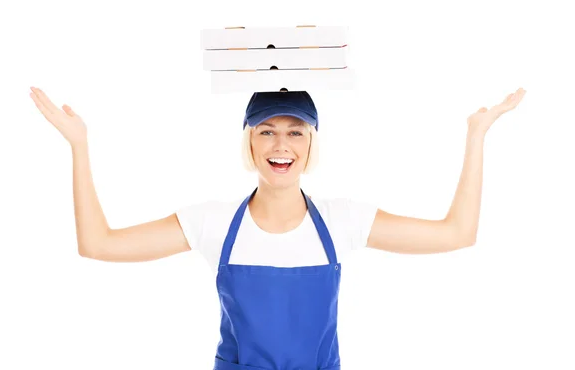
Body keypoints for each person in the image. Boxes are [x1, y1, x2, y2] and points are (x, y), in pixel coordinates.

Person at [30, 86, 526, 369]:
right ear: (249, 142)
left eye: (295, 132)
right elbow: (98, 245)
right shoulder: (213, 221)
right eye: (266, 130)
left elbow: (457, 233)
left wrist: (476, 136)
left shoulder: (342, 220)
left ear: (311, 144)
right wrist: (79, 145)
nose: (280, 144)